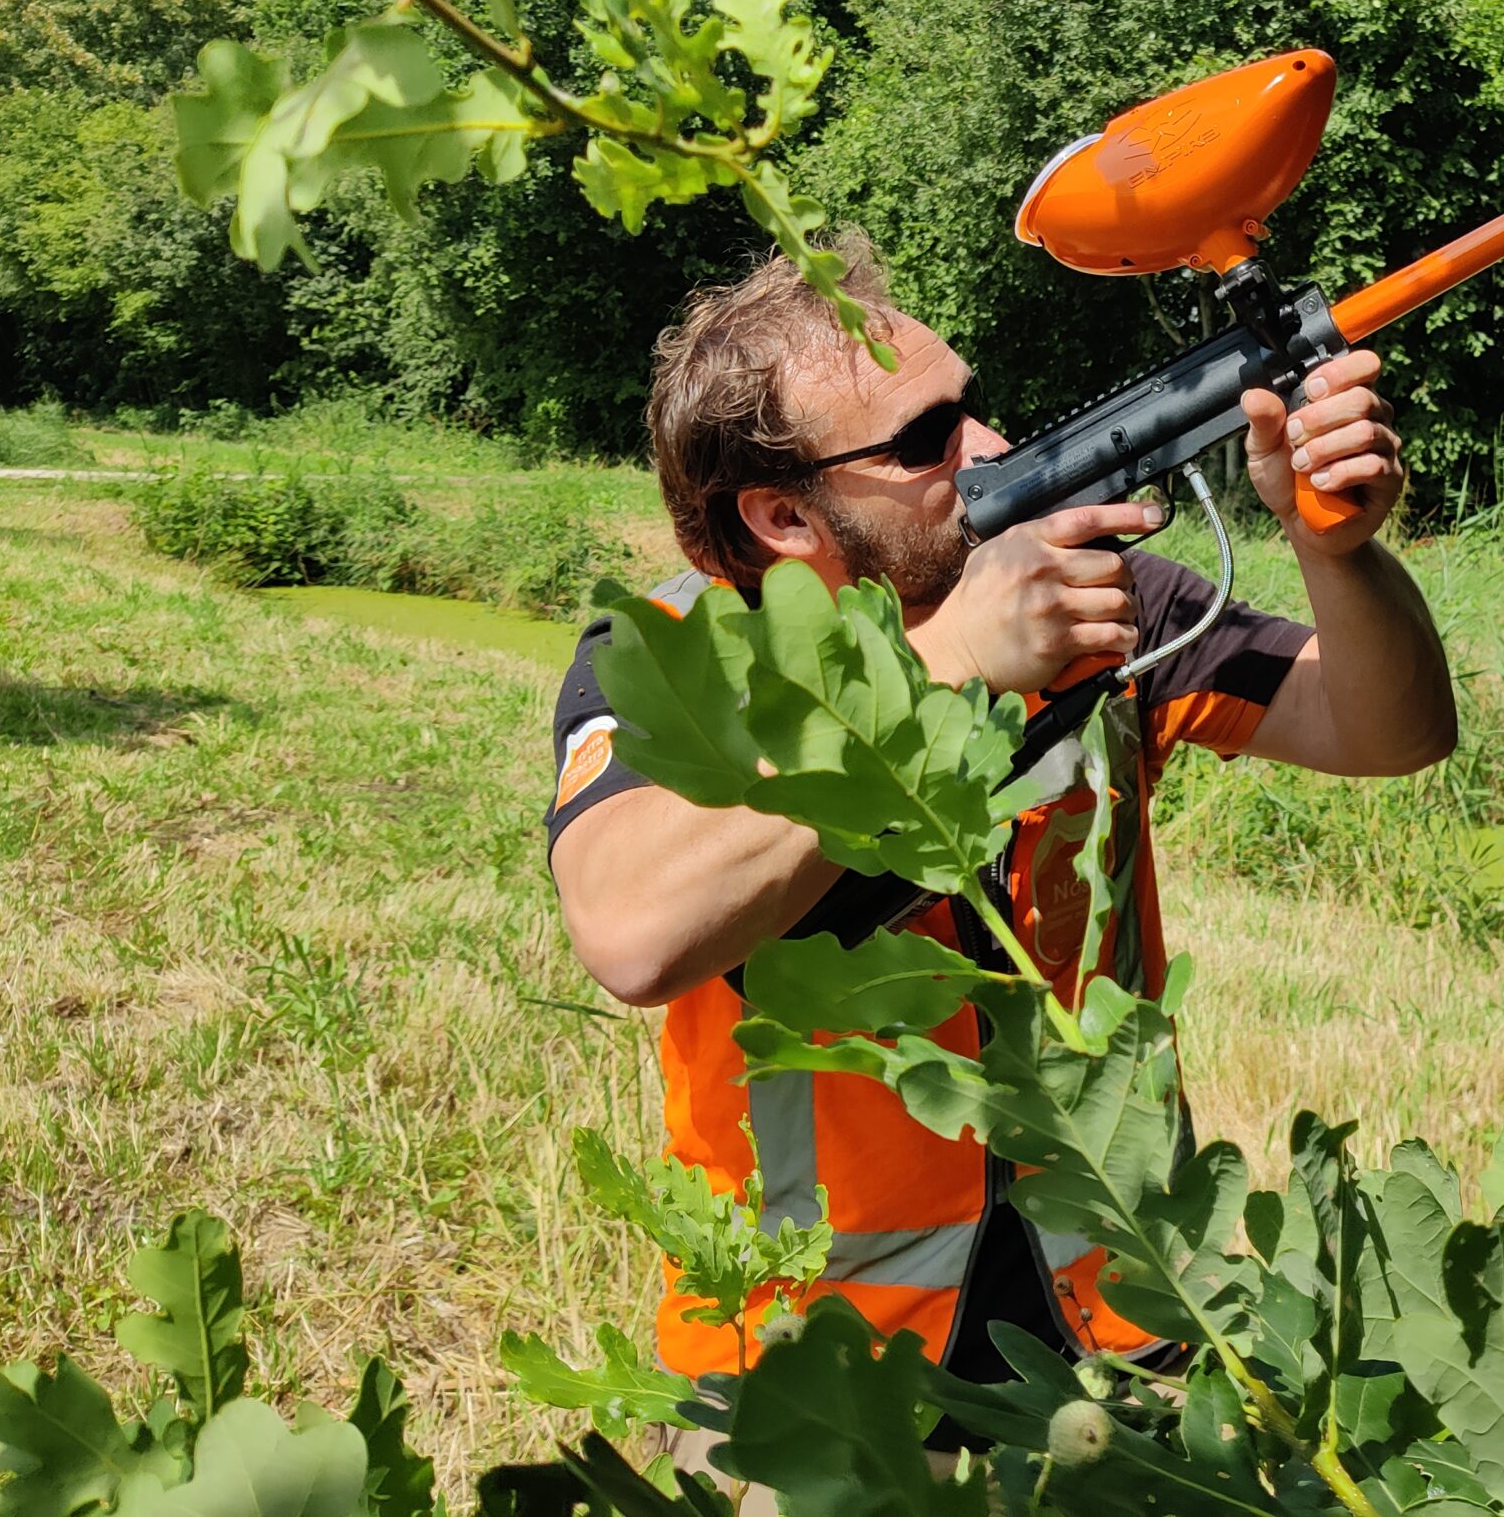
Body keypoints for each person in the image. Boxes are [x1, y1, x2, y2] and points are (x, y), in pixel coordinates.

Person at [541, 238, 1456, 1455]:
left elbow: (1391, 728)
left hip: (1122, 1324)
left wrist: (1335, 549)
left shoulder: (1098, 600)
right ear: (780, 515)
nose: (984, 447)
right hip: (815, 1366)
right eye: (923, 441)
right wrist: (947, 663)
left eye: (973, 408)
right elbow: (629, 932)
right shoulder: (671, 655)